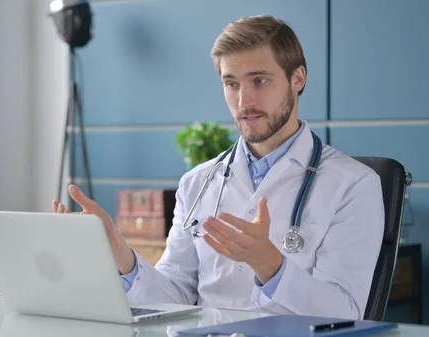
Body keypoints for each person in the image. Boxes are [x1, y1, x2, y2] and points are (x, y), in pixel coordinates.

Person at [52, 15, 384, 320]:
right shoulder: (198, 182)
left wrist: (268, 263)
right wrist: (121, 255)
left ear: (297, 78)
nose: (244, 102)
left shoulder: (353, 185)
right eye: (232, 83)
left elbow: (346, 314)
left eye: (260, 80)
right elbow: (175, 296)